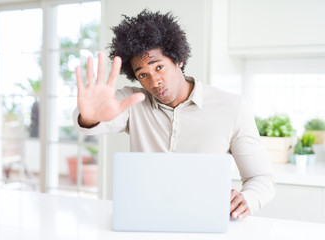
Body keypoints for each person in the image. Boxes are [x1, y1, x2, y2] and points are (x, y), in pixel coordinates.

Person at [73, 9, 275, 220]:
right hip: (144, 219)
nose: (154, 81)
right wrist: (90, 116)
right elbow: (94, 119)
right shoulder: (133, 102)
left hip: (206, 220)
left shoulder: (231, 106)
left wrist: (248, 199)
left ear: (178, 60)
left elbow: (261, 177)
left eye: (159, 67)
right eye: (143, 75)